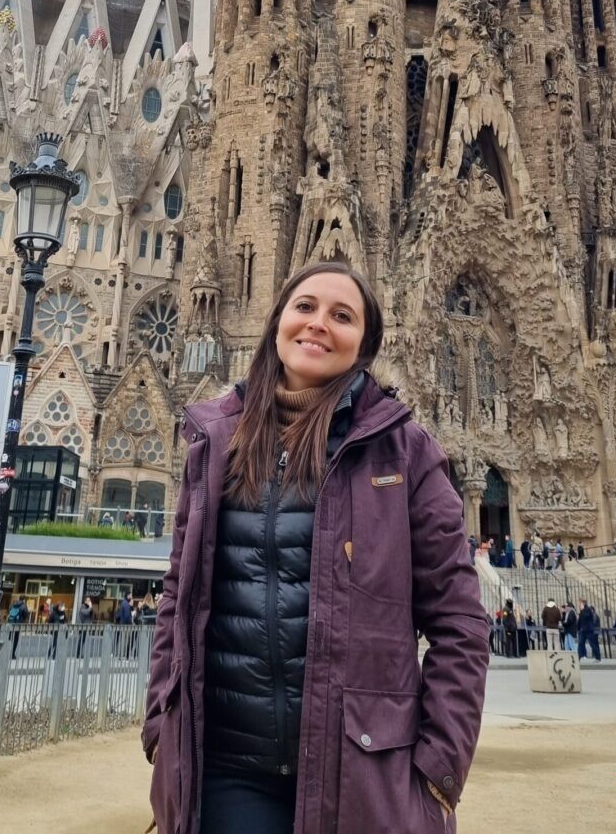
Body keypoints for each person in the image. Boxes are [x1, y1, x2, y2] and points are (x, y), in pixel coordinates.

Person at [142, 261, 488, 834]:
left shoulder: (403, 452)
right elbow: (177, 596)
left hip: (364, 769)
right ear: (277, 319)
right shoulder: (216, 441)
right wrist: (163, 724)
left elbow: (460, 620)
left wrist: (438, 770)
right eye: (304, 307)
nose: (318, 324)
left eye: (342, 315)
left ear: (365, 345)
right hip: (228, 771)